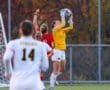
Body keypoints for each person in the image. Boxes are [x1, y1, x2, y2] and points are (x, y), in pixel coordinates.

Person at [3, 20, 49, 90]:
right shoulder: (40, 45)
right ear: (33, 31)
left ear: (20, 31)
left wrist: (8, 73)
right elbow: (45, 66)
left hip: (16, 83)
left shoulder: (13, 43)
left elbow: (6, 58)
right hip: (34, 83)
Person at [49, 9, 74, 90]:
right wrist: (62, 14)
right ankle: (51, 86)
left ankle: (54, 78)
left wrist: (70, 18)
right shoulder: (55, 30)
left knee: (62, 69)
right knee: (55, 70)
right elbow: (63, 24)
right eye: (57, 22)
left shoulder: (62, 30)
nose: (59, 22)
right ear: (54, 25)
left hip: (62, 51)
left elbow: (70, 27)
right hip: (57, 51)